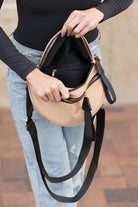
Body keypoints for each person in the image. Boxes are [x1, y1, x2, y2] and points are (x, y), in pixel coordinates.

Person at [0, 0, 133, 206]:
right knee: (57, 184)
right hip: (32, 72)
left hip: (85, 68)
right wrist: (31, 74)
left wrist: (99, 12)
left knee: (74, 175)